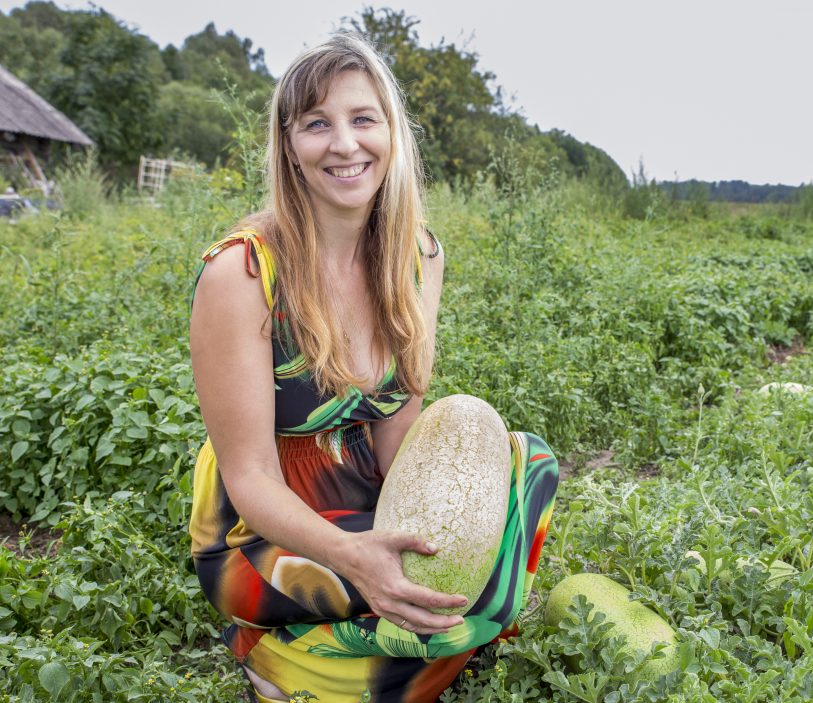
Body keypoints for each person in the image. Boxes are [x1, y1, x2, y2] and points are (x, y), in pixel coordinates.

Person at [188, 32, 559, 702]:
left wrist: (426, 528)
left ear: (392, 132)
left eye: (363, 119)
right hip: (264, 525)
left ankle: (375, 645)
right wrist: (358, 556)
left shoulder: (417, 255)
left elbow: (398, 421)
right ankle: (278, 658)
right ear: (288, 146)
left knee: (525, 472)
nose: (344, 144)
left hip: (361, 491)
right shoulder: (242, 273)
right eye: (316, 125)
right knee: (426, 595)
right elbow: (247, 478)